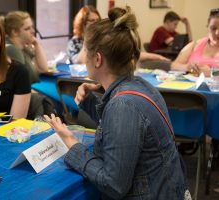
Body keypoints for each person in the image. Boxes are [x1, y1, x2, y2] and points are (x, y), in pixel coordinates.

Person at [44, 6, 190, 199]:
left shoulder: (123, 106)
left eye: (86, 50)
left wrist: (72, 144)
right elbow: (121, 132)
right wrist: (89, 102)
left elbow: (113, 184)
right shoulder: (139, 85)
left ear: (97, 59)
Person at [69, 6, 169, 65]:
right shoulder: (74, 42)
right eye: (92, 21)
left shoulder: (103, 38)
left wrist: (156, 57)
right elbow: (79, 63)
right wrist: (88, 35)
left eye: (97, 20)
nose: (96, 24)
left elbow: (125, 54)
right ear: (82, 23)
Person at [0, 11, 48, 84]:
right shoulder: (12, 50)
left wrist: (36, 44)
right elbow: (20, 83)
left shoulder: (23, 48)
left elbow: (43, 69)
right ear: (15, 32)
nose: (33, 31)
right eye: (27, 28)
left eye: (32, 27)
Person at [171, 8, 219, 77]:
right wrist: (187, 67)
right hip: (190, 86)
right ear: (207, 28)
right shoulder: (195, 45)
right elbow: (173, 66)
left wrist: (212, 73)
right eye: (213, 28)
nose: (217, 33)